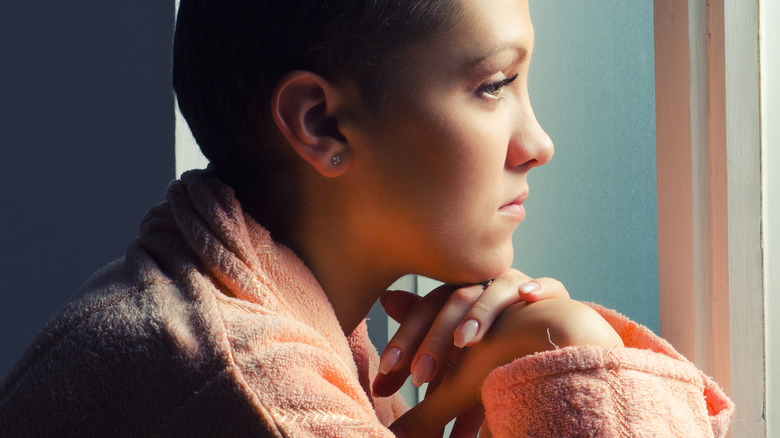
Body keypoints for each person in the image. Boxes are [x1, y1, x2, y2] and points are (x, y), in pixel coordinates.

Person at [0, 0, 733, 436]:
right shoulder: (241, 382)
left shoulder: (211, 306)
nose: (539, 144)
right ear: (319, 124)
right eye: (494, 86)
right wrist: (576, 353)